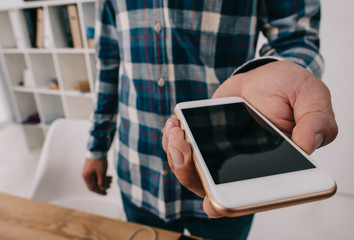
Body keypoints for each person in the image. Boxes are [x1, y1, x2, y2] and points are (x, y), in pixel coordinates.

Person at [82, 1, 338, 239]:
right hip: (138, 171)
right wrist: (97, 147)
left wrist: (283, 72)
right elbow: (108, 63)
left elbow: (296, 37)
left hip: (232, 173)